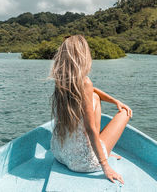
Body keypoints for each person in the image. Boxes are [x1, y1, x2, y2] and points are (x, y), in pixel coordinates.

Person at [50, 35, 132, 185]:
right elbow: (90, 129)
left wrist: (114, 101)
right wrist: (105, 166)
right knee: (125, 113)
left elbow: (90, 90)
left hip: (59, 153)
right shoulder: (85, 82)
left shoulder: (60, 79)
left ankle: (100, 149)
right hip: (83, 163)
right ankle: (101, 152)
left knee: (94, 96)